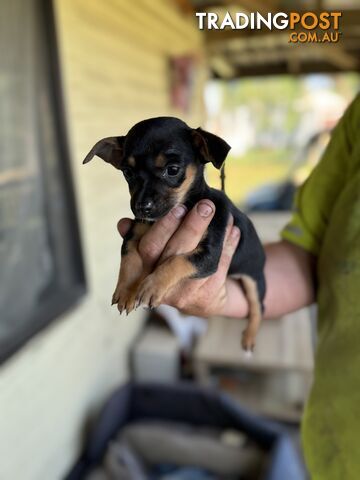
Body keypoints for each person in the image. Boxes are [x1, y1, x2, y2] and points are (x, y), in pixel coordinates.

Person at [118, 94, 360, 479]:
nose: (144, 198)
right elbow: (308, 254)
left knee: (253, 291)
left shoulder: (211, 211)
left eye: (170, 172)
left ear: (203, 156)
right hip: (328, 450)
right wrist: (133, 276)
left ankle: (254, 324)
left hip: (341, 441)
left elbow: (204, 258)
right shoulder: (355, 123)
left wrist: (167, 275)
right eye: (133, 175)